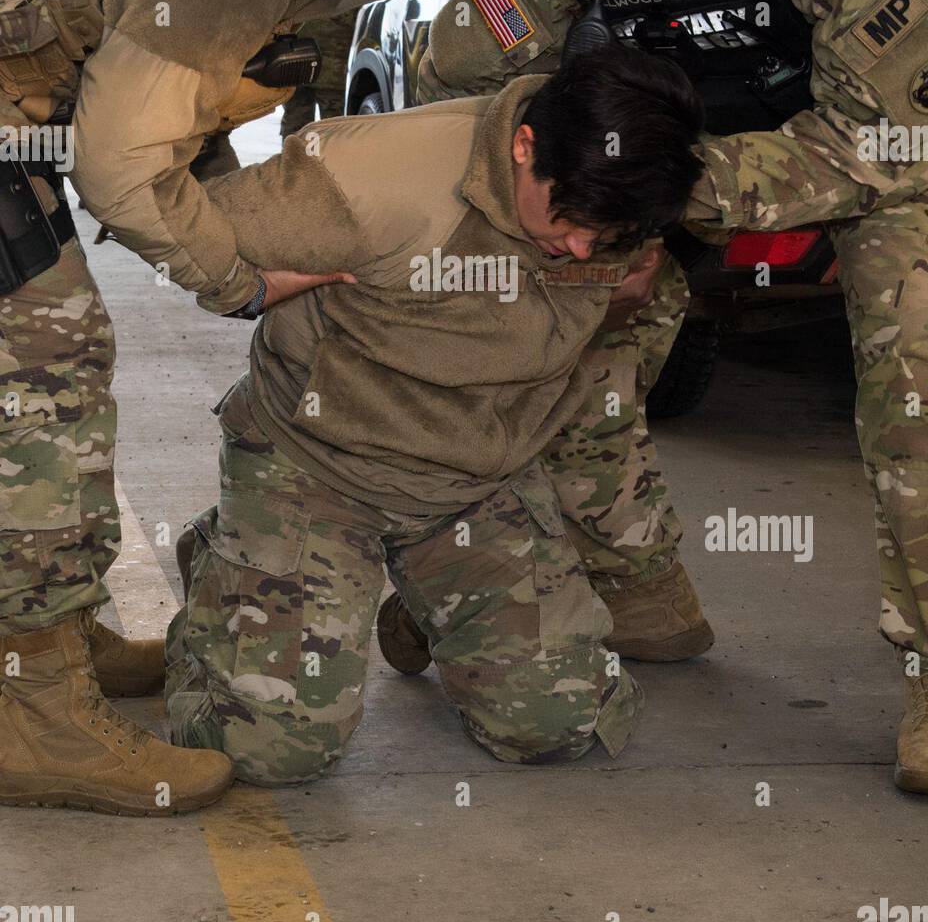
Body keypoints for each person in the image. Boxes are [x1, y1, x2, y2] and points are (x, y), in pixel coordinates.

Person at [415, 0, 928, 793]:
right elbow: (459, 80)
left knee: (918, 382)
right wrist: (563, 191)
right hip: (647, 150)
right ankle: (607, 584)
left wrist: (678, 191)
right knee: (543, 336)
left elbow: (887, 139)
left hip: (859, 148)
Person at [0, 0, 492, 815]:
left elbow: (190, 114)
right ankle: (32, 713)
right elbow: (121, 158)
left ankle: (53, 640)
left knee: (50, 362)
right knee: (45, 365)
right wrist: (236, 275)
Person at [164, 47, 703, 783]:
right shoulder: (369, 179)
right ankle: (226, 558)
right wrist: (252, 287)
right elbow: (185, 235)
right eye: (572, 221)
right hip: (319, 469)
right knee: (269, 749)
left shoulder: (628, 188)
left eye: (604, 239)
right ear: (524, 146)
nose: (581, 248)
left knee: (561, 723)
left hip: (478, 480)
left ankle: (425, 604)